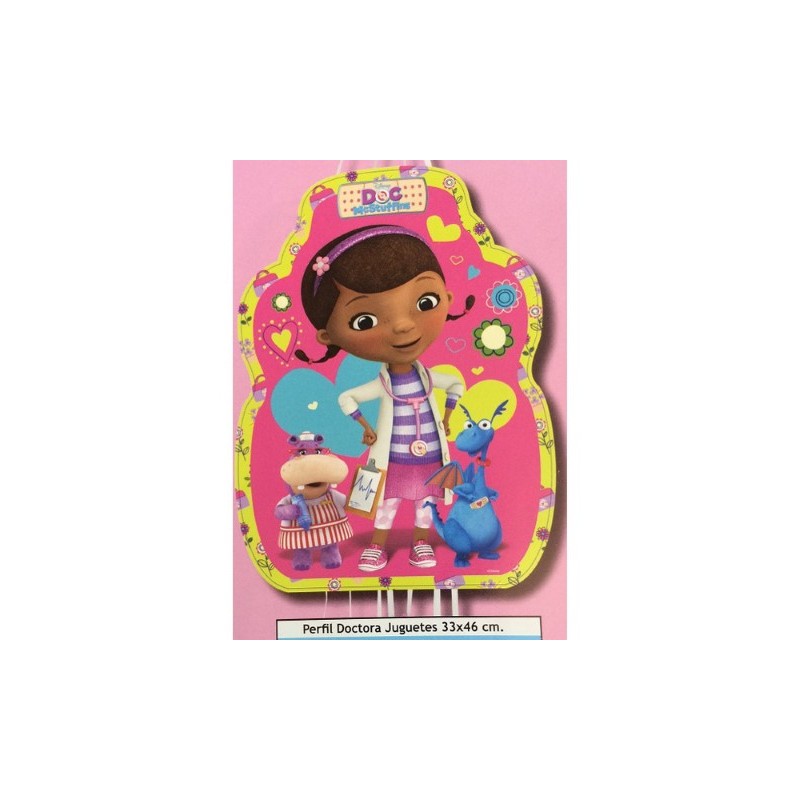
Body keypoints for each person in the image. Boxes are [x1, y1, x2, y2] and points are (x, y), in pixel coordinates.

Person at [296, 225, 473, 571]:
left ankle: (421, 543)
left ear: (448, 298)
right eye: (365, 321)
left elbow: (456, 384)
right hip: (393, 458)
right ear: (328, 336)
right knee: (387, 503)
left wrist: (448, 417)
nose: (403, 326)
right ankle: (377, 546)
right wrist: (365, 427)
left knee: (425, 502)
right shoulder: (382, 384)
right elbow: (348, 398)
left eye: (425, 302)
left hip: (429, 456)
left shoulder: (429, 379)